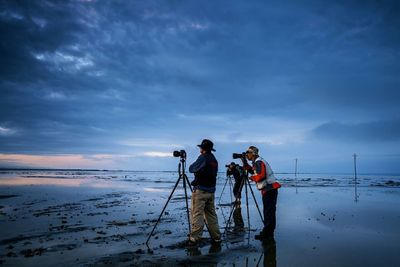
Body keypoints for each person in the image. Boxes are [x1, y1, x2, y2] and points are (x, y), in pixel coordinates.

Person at [242, 146, 281, 240]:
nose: (246, 154)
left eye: (248, 152)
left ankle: (267, 233)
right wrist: (244, 161)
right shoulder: (257, 162)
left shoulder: (259, 162)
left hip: (269, 189)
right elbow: (252, 170)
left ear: (253, 153)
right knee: (269, 211)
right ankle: (268, 232)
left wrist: (251, 178)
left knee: (268, 212)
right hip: (269, 189)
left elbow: (260, 176)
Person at [188, 139, 221, 244]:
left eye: (201, 147)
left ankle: (195, 238)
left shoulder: (203, 158)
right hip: (211, 191)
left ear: (203, 149)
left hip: (201, 190)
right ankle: (216, 237)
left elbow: (192, 168)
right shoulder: (214, 159)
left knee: (197, 214)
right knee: (211, 215)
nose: (200, 149)